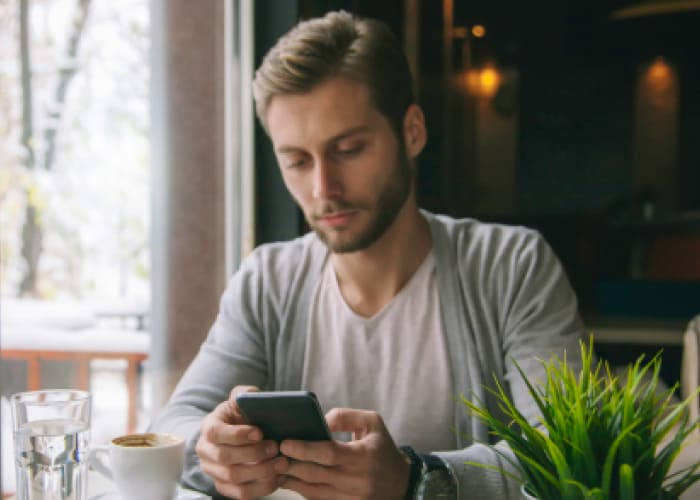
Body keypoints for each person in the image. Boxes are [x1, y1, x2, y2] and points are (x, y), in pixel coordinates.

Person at [150, 10, 584, 500]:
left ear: (413, 131)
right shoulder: (267, 279)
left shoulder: (512, 266)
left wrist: (416, 480)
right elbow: (172, 429)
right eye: (296, 161)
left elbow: (568, 454)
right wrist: (212, 451)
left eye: (349, 149)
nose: (322, 189)